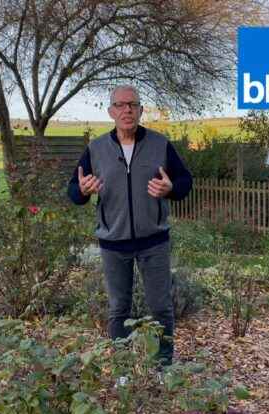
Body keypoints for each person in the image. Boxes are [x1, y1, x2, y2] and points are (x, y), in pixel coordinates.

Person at [67, 85, 192, 367]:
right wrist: (83, 191)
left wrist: (171, 188)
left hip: (154, 241)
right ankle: (122, 368)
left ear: (141, 110)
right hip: (113, 243)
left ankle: (163, 365)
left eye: (133, 105)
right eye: (121, 105)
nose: (127, 110)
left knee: (161, 308)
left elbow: (185, 182)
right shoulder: (96, 149)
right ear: (111, 111)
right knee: (118, 309)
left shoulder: (160, 144)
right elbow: (74, 191)